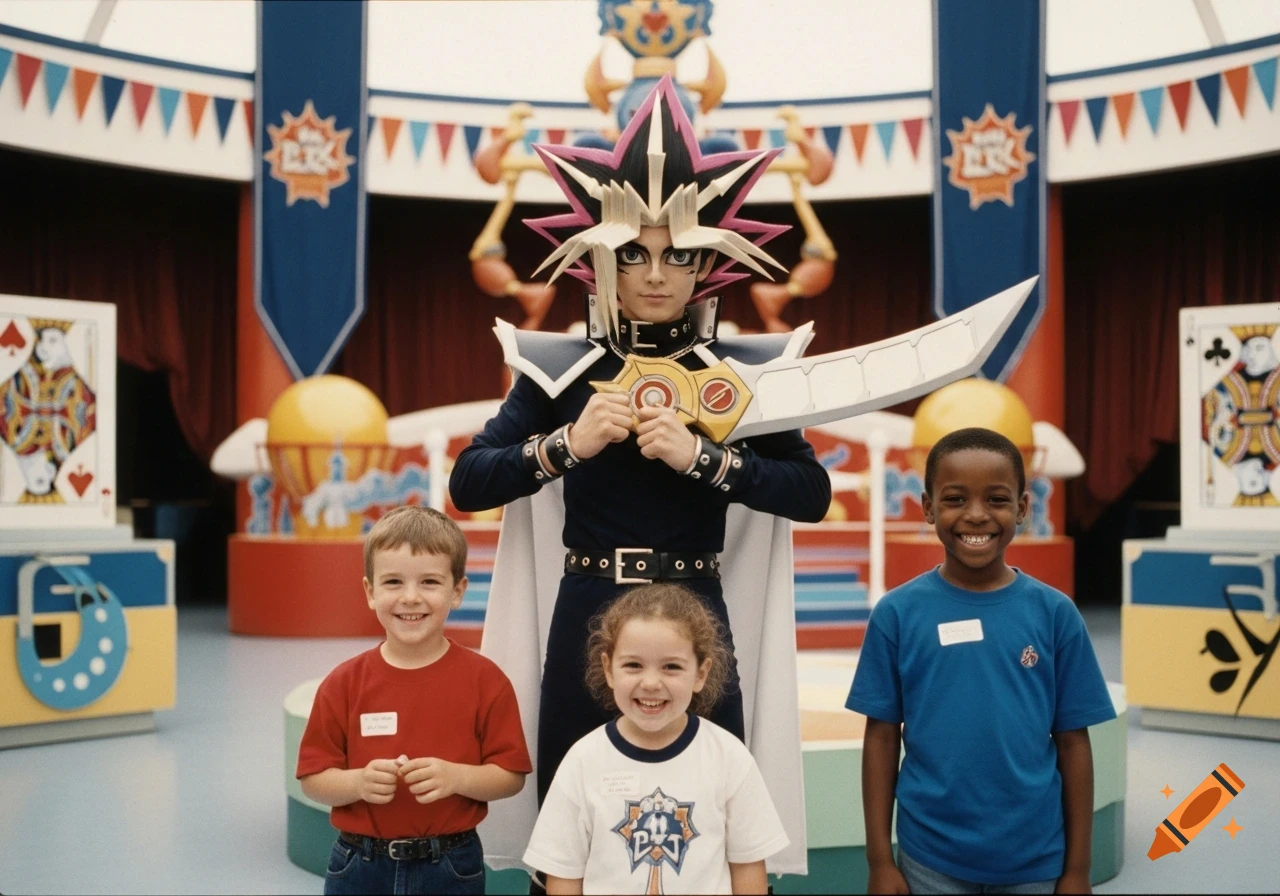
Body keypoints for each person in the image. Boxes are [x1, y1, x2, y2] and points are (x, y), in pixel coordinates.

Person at [449, 75, 829, 878]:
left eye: (677, 254)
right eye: (633, 254)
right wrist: (565, 447)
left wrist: (707, 459)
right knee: (569, 835)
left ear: (706, 266)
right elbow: (470, 481)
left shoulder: (739, 376)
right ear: (598, 259)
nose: (655, 273)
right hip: (589, 612)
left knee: (711, 825)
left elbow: (811, 493)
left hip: (699, 622)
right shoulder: (559, 372)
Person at [847, 427, 1116, 895]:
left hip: (1036, 860)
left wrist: (1077, 870)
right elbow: (882, 738)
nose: (975, 516)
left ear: (1022, 508)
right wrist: (878, 860)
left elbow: (1074, 745)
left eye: (996, 499)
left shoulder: (1055, 615)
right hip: (929, 860)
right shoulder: (897, 614)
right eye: (954, 499)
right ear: (928, 507)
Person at [296, 505, 532, 895]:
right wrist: (358, 783)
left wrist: (458, 777)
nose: (410, 597)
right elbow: (314, 779)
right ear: (370, 592)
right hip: (359, 864)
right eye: (392, 582)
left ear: (457, 591)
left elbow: (510, 776)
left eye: (429, 582)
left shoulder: (486, 681)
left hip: (452, 863)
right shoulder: (343, 683)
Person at [524, 583, 789, 895]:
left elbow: (747, 868)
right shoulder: (582, 761)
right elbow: (564, 875)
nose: (650, 682)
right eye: (633, 665)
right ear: (609, 669)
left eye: (671, 667)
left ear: (701, 674)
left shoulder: (729, 757)